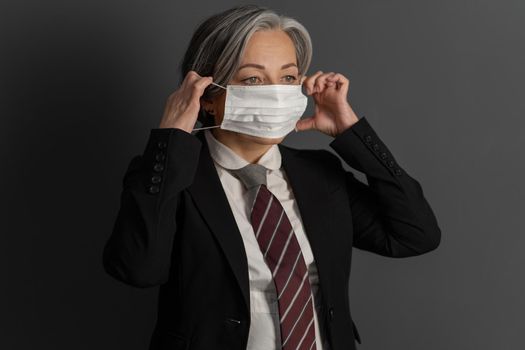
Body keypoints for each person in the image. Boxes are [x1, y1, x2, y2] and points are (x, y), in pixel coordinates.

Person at [102, 4, 441, 350]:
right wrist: (171, 140)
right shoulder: (172, 174)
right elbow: (137, 269)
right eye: (253, 79)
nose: (276, 92)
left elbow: (416, 235)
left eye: (289, 78)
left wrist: (351, 132)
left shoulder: (320, 176)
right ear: (207, 96)